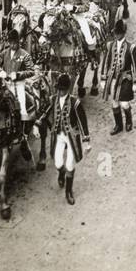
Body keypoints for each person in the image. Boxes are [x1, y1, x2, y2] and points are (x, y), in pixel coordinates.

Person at [49, 72, 89, 206]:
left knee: (70, 164)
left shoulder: (75, 102)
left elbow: (82, 122)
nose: (60, 91)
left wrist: (86, 140)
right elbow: (45, 112)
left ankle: (68, 191)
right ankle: (61, 173)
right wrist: (37, 124)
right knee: (58, 163)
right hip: (59, 135)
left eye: (62, 89)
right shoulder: (53, 99)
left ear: (67, 89)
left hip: (71, 136)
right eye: (58, 89)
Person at [100, 18, 136, 133]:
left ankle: (128, 121)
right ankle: (118, 125)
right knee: (114, 102)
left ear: (123, 33)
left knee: (124, 103)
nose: (117, 35)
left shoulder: (131, 48)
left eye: (119, 33)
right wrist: (103, 78)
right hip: (112, 78)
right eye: (116, 33)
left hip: (125, 79)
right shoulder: (109, 46)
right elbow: (106, 63)